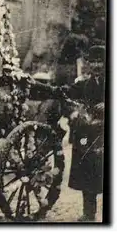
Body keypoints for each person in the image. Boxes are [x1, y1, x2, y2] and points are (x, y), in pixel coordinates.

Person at [62, 45, 105, 221]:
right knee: (88, 176)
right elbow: (67, 93)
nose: (96, 65)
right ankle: (89, 214)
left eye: (100, 61)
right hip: (88, 135)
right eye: (92, 61)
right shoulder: (85, 83)